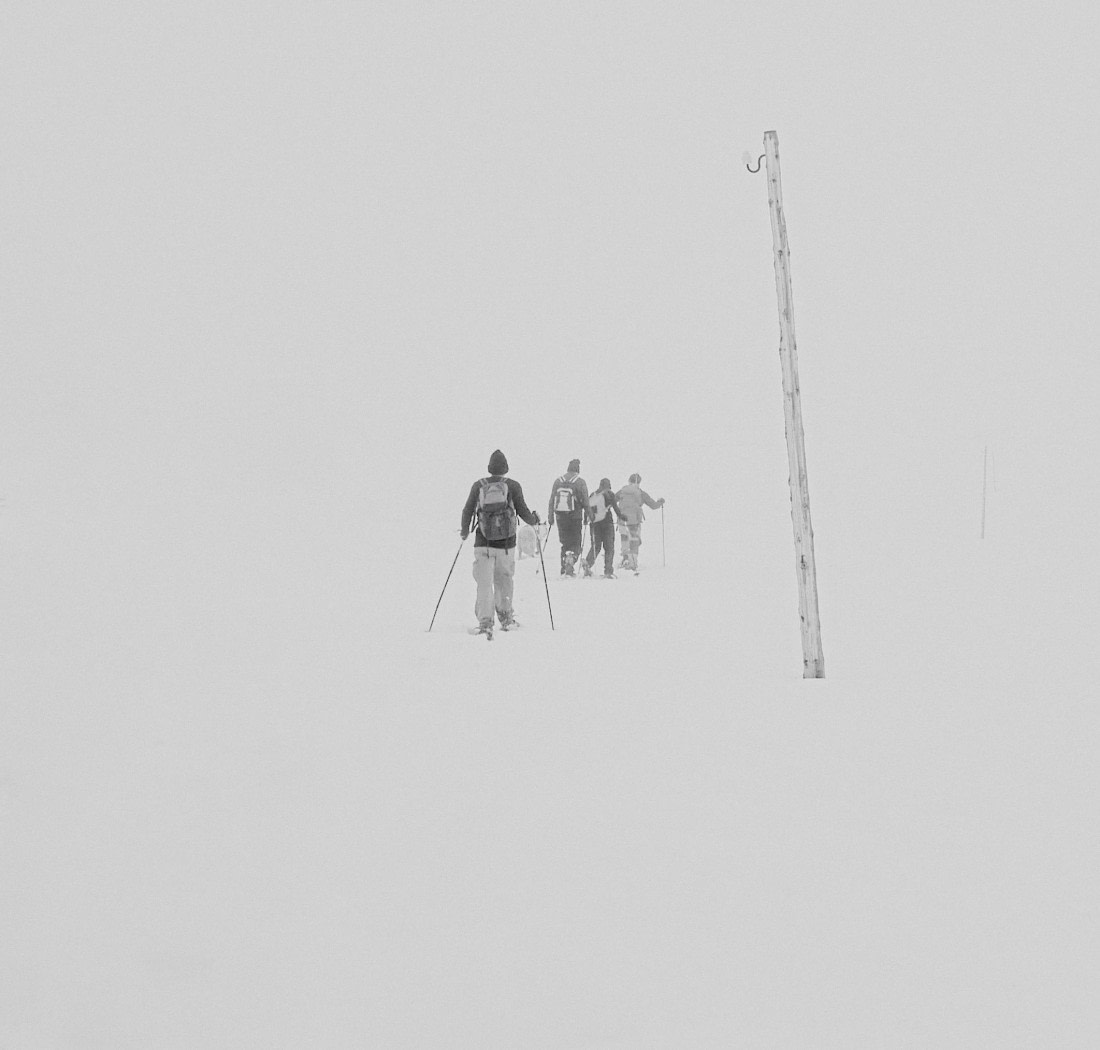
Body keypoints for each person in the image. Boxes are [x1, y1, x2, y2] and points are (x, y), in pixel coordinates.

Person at [460, 449, 540, 635]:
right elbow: (523, 511)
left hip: (483, 543)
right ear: (506, 468)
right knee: (504, 580)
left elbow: (467, 510)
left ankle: (485, 622)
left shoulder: (478, 486)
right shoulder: (513, 486)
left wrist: (464, 532)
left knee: (484, 584)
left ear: (489, 468)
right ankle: (506, 618)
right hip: (506, 545)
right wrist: (534, 520)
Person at [547, 458, 589, 577]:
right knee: (576, 543)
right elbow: (586, 501)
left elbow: (552, 500)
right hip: (575, 517)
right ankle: (571, 560)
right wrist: (587, 516)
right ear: (578, 470)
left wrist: (550, 517)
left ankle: (563, 568)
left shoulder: (558, 481)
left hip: (560, 517)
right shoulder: (580, 482)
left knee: (565, 543)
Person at [615, 473, 664, 572]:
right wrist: (660, 502)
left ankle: (625, 558)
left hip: (622, 521)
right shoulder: (641, 493)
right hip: (634, 521)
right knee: (634, 541)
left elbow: (612, 500)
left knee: (624, 538)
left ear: (629, 481)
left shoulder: (622, 491)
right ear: (639, 482)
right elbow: (653, 506)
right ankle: (633, 562)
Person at [584, 478, 623, 578]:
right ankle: (608, 571)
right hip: (607, 523)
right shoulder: (609, 494)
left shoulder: (593, 495)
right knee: (609, 547)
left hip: (594, 524)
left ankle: (588, 564)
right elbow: (615, 508)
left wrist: (585, 520)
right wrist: (621, 516)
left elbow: (587, 508)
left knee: (596, 546)